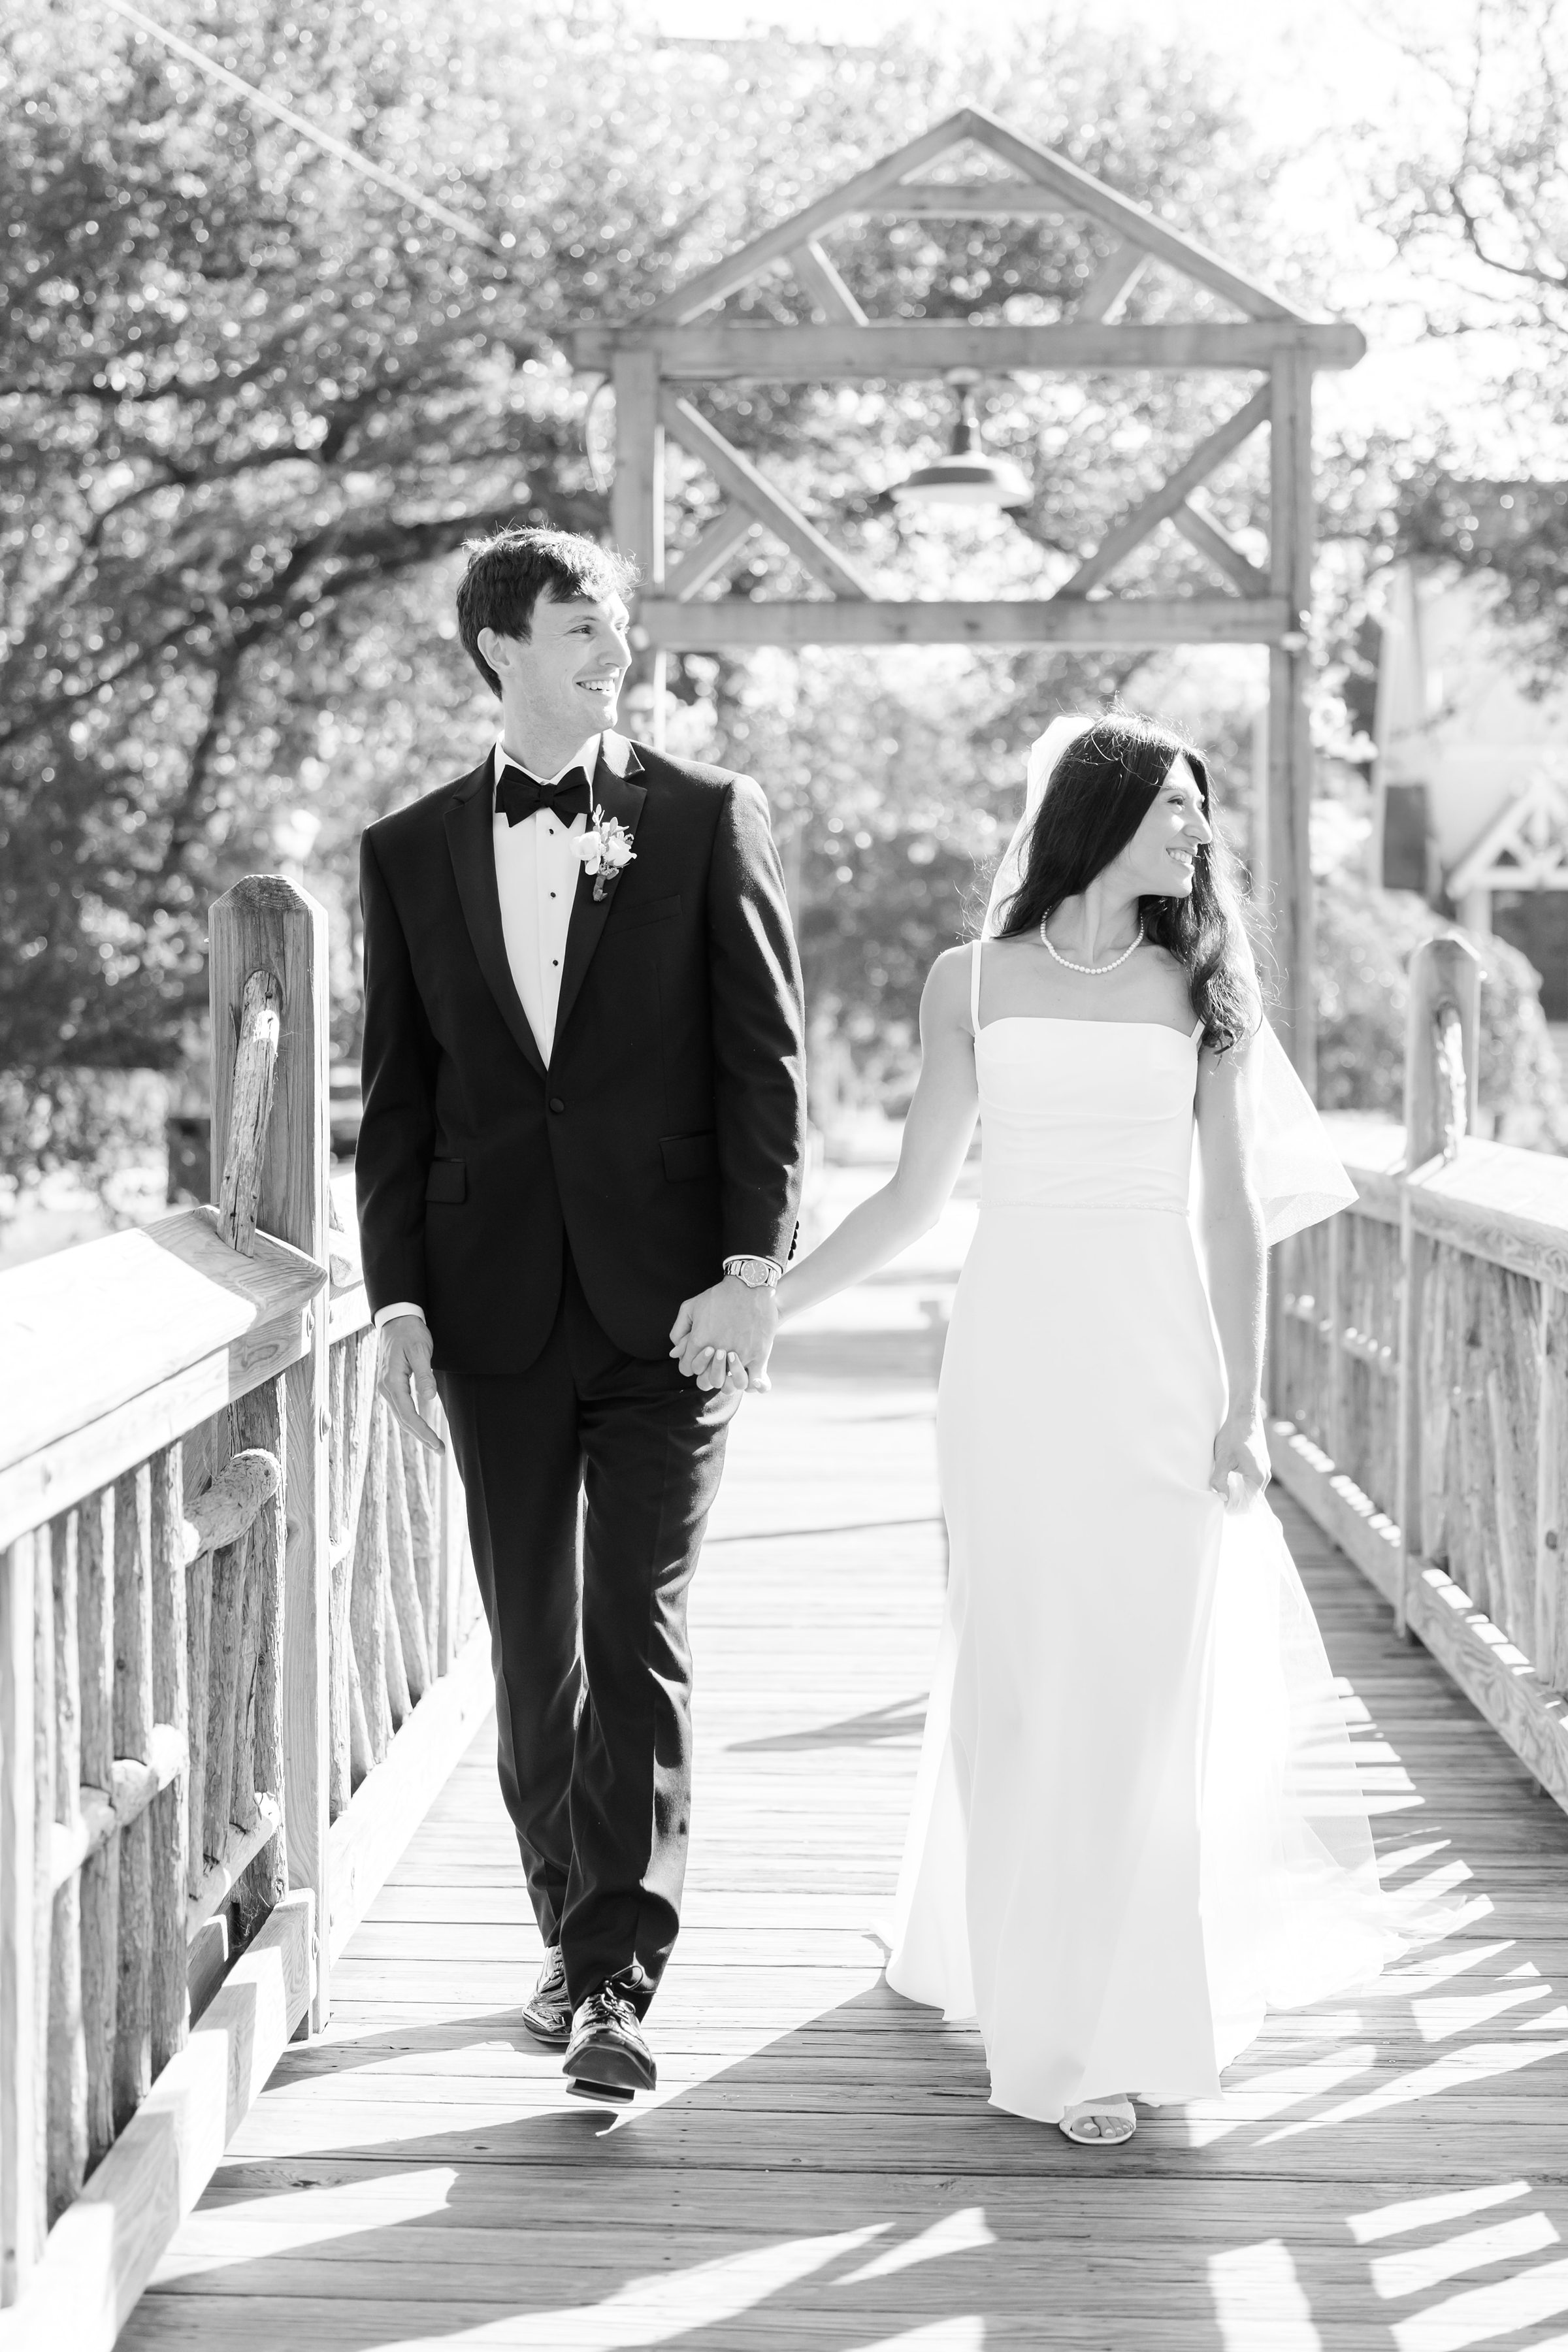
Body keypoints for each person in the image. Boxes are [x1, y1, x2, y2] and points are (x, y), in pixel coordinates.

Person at [776, 711, 1395, 2145]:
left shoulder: (1205, 988)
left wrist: (1246, 1404)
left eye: (1201, 812)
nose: (1199, 833)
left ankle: (1123, 2022)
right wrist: (772, 1308)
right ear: (1100, 814)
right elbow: (914, 1199)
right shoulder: (970, 981)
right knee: (1024, 1678)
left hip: (1157, 1369)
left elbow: (1234, 1214)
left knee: (1137, 1696)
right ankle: (1039, 2009)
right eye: (1176, 807)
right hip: (1013, 1365)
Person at [355, 525, 806, 2103]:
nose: (613, 650)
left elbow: (765, 1063)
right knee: (530, 1640)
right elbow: (399, 1101)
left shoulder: (704, 816)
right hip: (489, 1309)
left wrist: (751, 1272)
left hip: (672, 1307)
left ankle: (618, 1976)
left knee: (637, 1630)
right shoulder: (407, 850)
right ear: (500, 647)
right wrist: (397, 1300)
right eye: (579, 626)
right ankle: (566, 1924)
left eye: (616, 625)